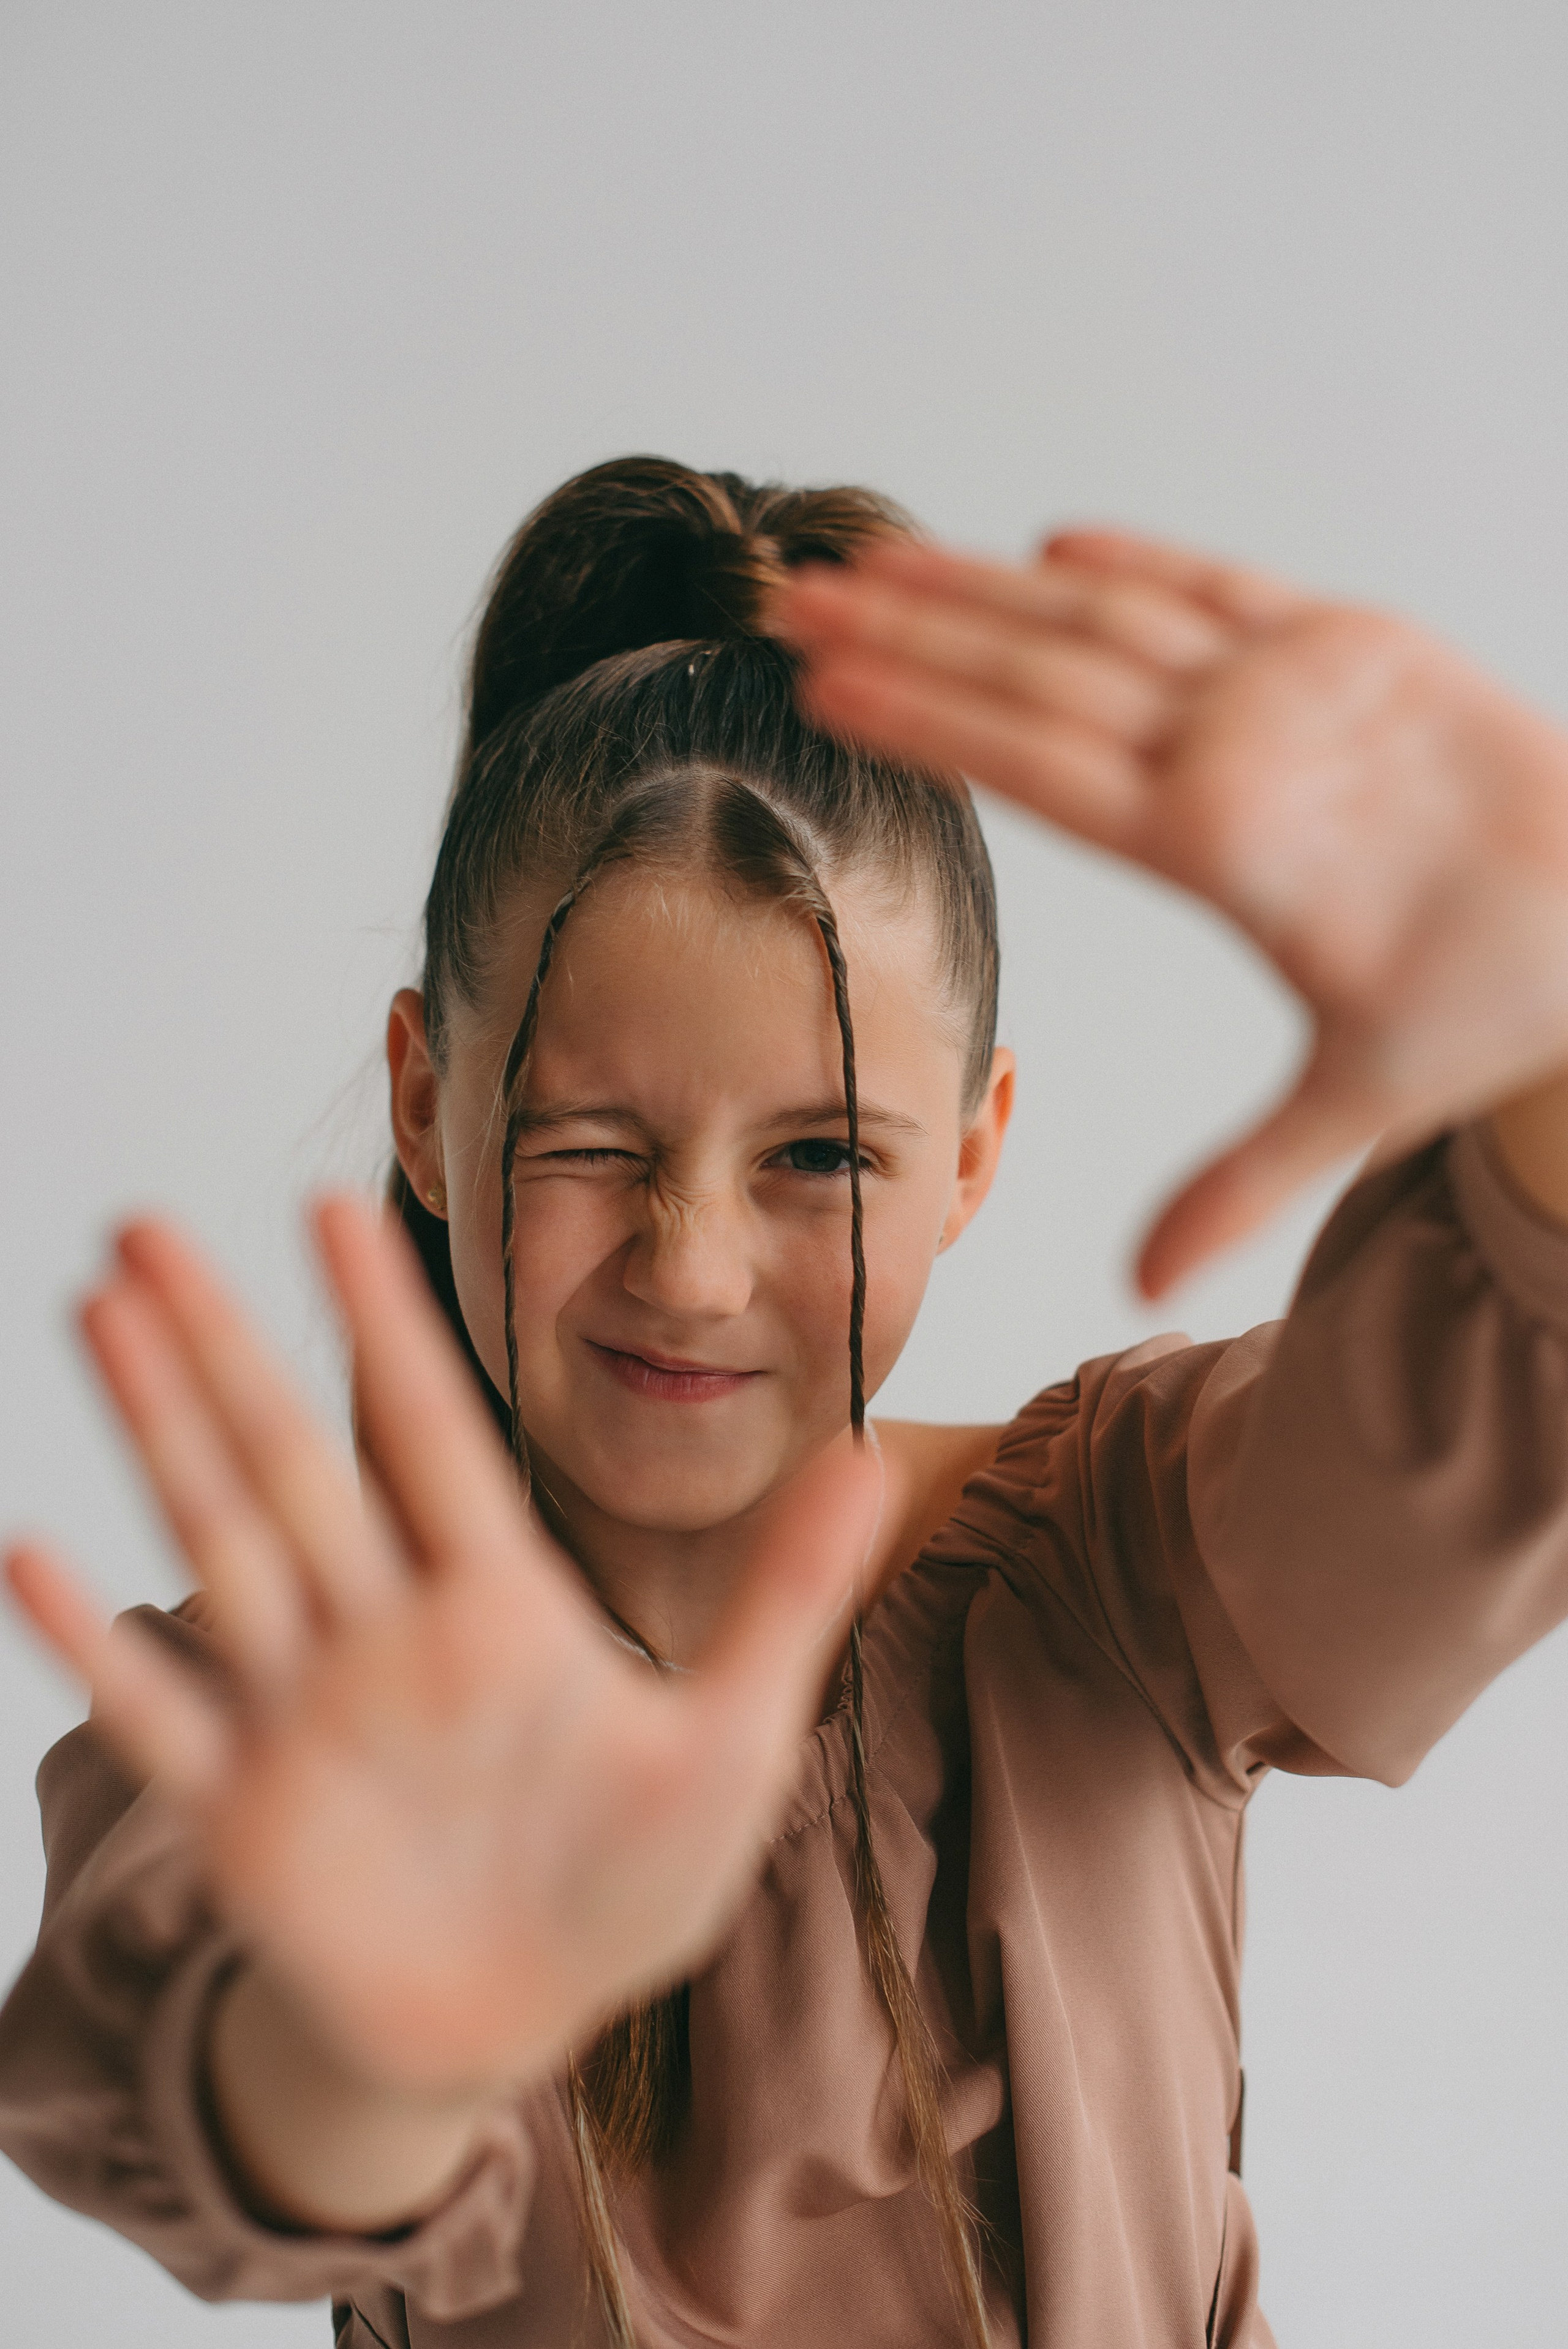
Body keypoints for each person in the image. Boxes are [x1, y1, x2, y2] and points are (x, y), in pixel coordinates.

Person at [2, 456, 1567, 2349]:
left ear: (974, 1150)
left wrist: (1547, 1041)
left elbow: (1469, 1426)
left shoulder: (1123, 1570)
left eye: (820, 1155)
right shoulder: (317, 1714)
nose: (693, 1266)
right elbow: (191, 2088)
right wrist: (386, 2034)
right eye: (590, 1143)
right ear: (424, 1099)